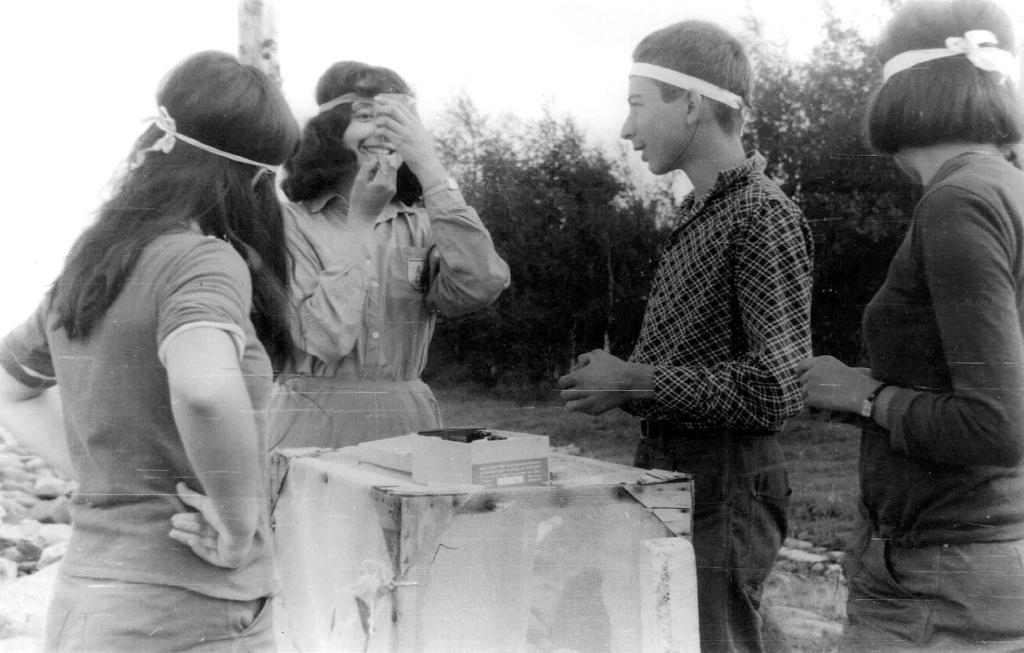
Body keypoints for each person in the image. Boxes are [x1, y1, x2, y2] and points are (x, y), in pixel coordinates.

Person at [0, 51, 298, 651]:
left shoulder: (93, 267)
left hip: (91, 600)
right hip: (189, 608)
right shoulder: (202, 260)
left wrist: (105, 474)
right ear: (253, 179)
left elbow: (10, 387)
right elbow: (204, 388)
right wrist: (237, 521)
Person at [557, 20, 813, 653]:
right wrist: (623, 383)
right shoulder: (701, 209)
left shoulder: (761, 212)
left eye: (637, 104)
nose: (626, 129)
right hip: (677, 468)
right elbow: (699, 364)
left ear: (693, 104)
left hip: (725, 479)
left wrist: (637, 380)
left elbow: (778, 389)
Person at [797, 0, 1024, 649]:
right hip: (983, 554)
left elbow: (996, 425)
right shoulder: (1005, 187)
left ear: (901, 91)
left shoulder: (958, 201)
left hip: (938, 578)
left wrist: (861, 394)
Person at [269, 61, 510, 450]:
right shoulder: (287, 224)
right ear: (330, 130)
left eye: (400, 119)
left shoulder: (423, 226)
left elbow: (481, 285)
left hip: (406, 425)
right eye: (366, 116)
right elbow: (324, 338)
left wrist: (430, 167)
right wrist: (360, 223)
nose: (385, 130)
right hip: (312, 426)